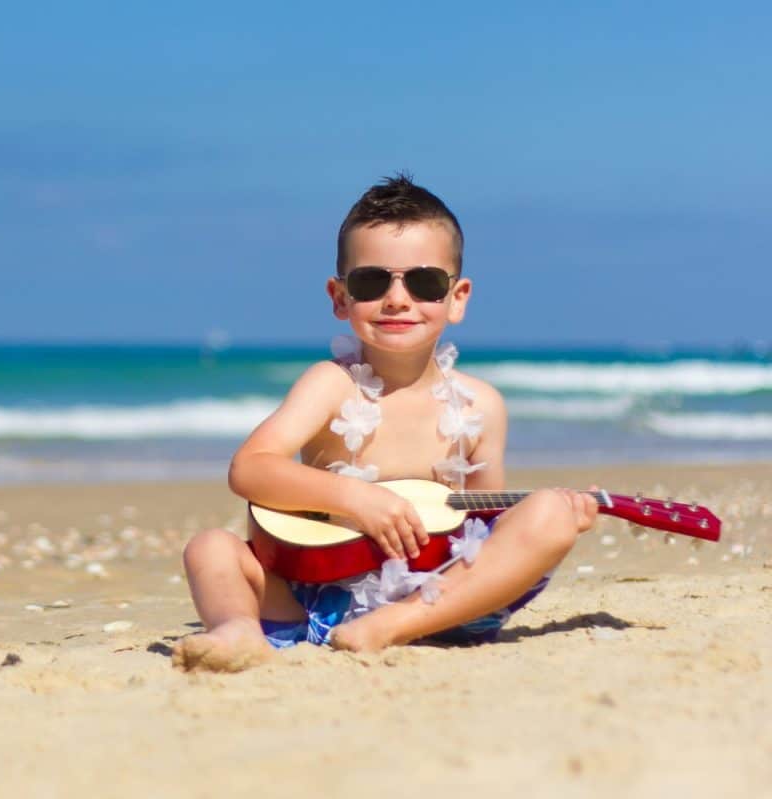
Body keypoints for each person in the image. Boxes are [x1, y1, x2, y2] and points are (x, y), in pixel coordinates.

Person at [172, 174, 599, 673]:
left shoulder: (481, 405)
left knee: (548, 514)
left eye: (424, 283)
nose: (398, 298)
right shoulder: (331, 386)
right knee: (210, 548)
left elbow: (486, 526)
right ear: (339, 297)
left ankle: (388, 627)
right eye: (373, 281)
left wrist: (557, 517)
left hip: (440, 608)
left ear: (457, 297)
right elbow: (249, 469)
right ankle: (238, 631)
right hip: (311, 601)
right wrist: (356, 498)